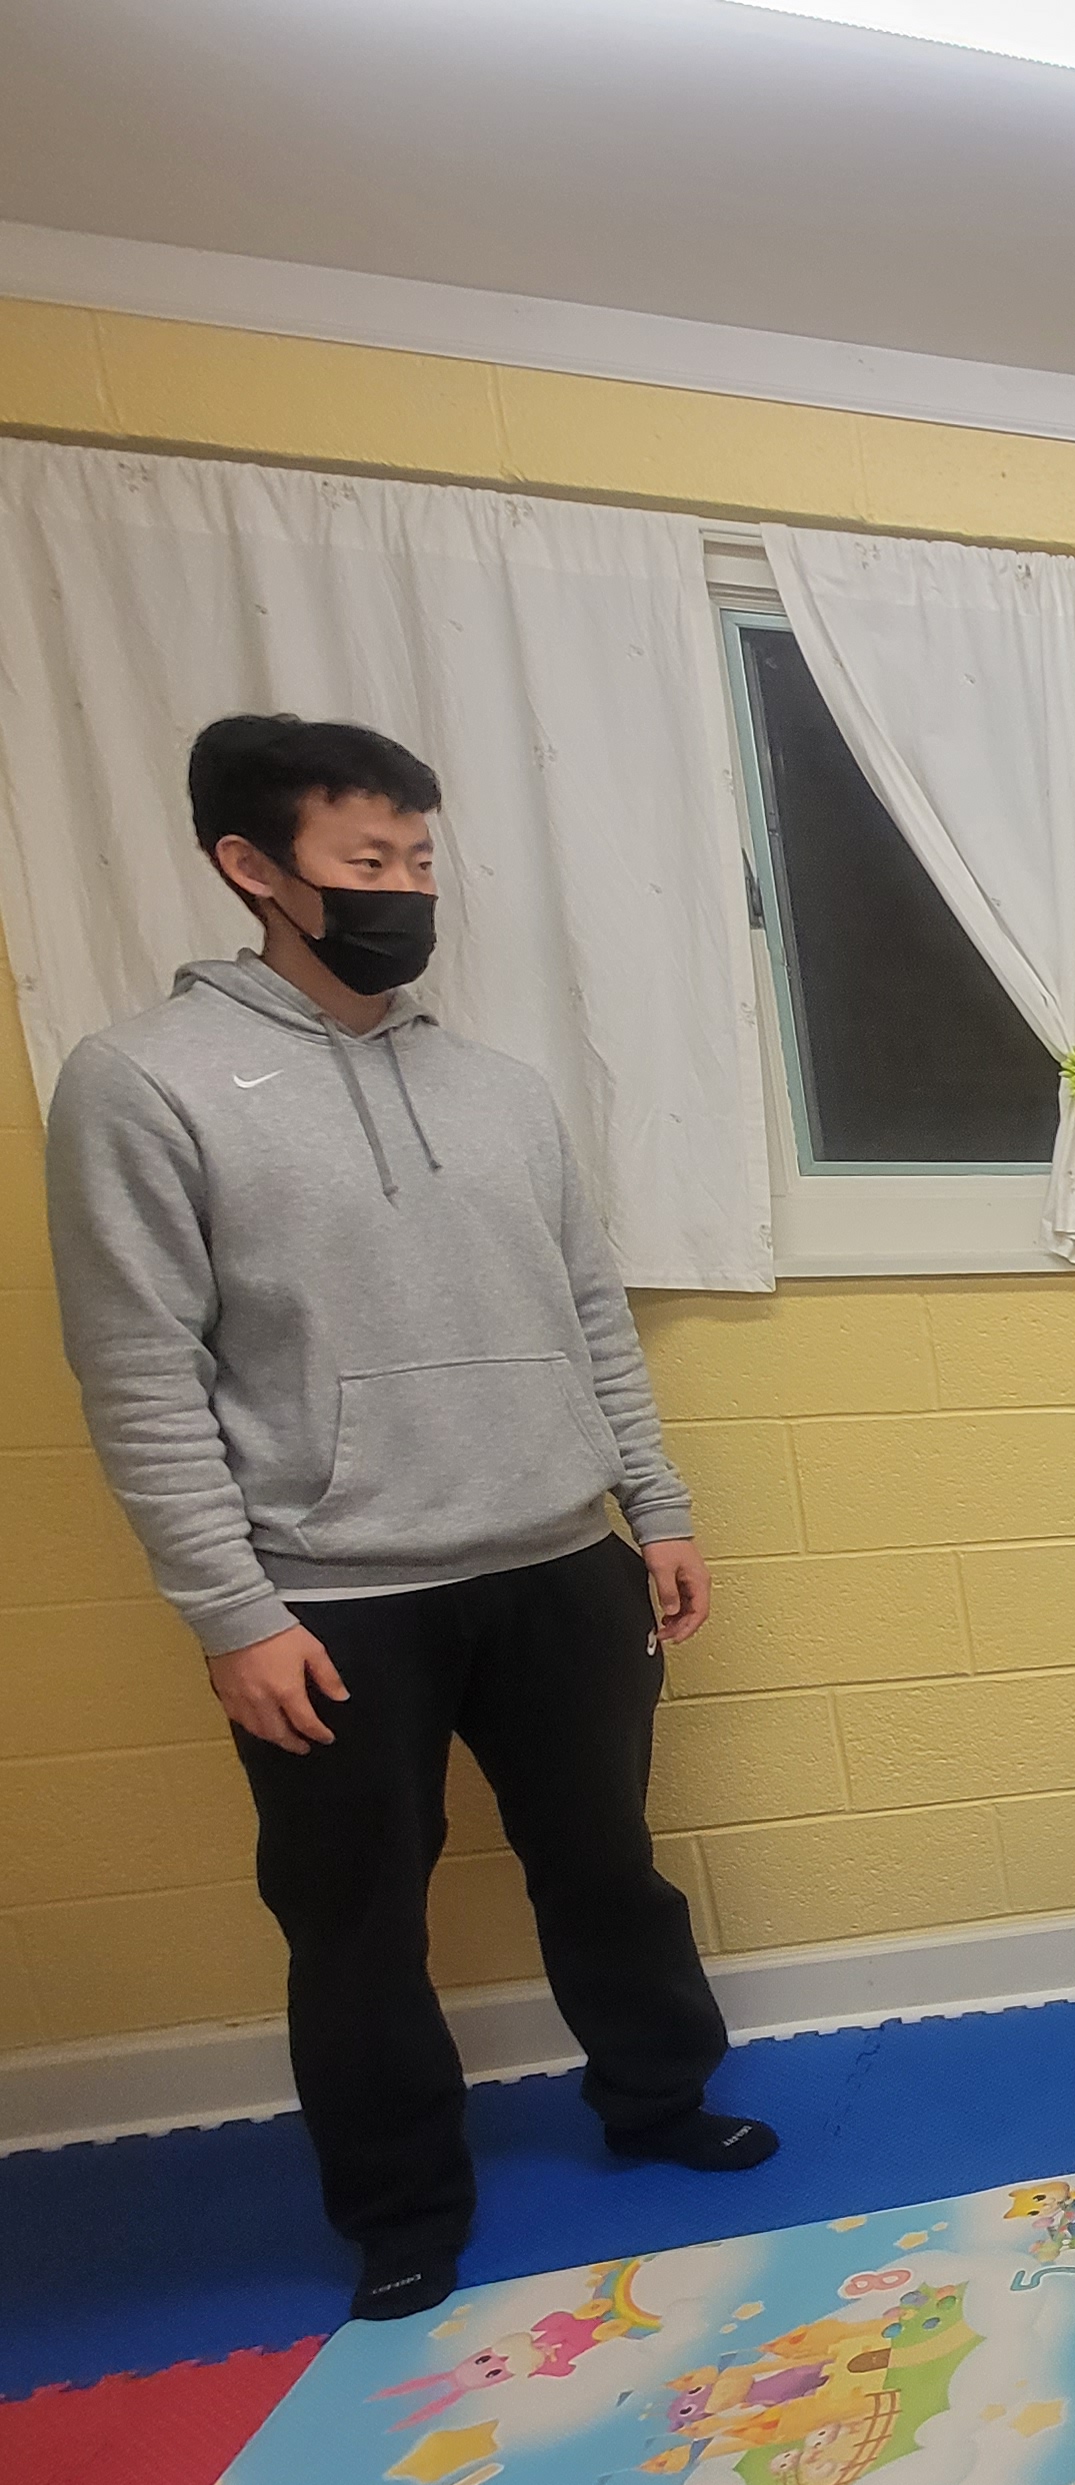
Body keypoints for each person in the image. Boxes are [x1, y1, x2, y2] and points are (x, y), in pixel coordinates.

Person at [43, 714, 765, 2323]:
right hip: (331, 1597)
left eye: (421, 860)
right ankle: (400, 2209)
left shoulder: (498, 1091)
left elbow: (591, 1315)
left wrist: (653, 1508)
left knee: (610, 1868)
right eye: (367, 860)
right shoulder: (141, 1083)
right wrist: (231, 1611)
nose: (405, 890)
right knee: (355, 1923)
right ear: (252, 867)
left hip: (559, 1561)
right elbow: (139, 1369)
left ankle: (658, 2099)